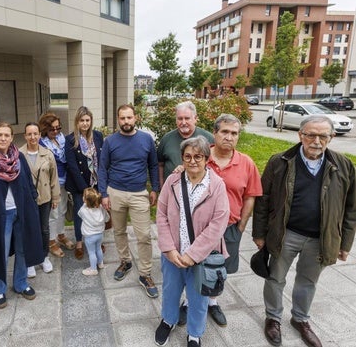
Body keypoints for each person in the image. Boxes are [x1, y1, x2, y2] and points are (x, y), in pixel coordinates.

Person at [253, 115, 356, 347]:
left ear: (332, 137)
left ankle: (300, 319)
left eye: (323, 136)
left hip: (320, 238)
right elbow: (263, 200)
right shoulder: (279, 161)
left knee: (307, 281)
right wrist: (259, 234)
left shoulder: (344, 165)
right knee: (275, 278)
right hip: (285, 234)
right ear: (300, 135)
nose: (316, 141)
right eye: (310, 134)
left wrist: (344, 243)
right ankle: (273, 318)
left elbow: (351, 209)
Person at [178, 114, 263, 327]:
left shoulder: (246, 163)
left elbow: (250, 195)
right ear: (214, 133)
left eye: (234, 133)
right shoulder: (202, 157)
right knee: (193, 263)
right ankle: (188, 302)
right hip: (199, 227)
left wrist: (241, 226)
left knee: (220, 268)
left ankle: (213, 302)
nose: (229, 137)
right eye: (224, 131)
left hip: (229, 228)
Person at [155, 136, 230, 347]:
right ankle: (168, 320)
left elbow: (218, 223)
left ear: (206, 158)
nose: (193, 160)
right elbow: (161, 214)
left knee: (198, 297)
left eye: (198, 156)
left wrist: (193, 254)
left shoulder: (216, 186)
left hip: (202, 257)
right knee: (170, 290)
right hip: (173, 253)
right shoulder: (173, 181)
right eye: (187, 156)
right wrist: (168, 248)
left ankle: (195, 333)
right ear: (182, 158)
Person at [0, 122, 44, 309]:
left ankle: (21, 283)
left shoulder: (19, 157)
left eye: (7, 135)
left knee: (23, 249)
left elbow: (29, 183)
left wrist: (33, 199)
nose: (3, 138)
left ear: (12, 137)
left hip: (22, 211)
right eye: (0, 135)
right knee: (0, 251)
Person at [98, 104, 160, 298]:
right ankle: (125, 261)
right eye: (122, 118)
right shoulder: (110, 141)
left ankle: (145, 273)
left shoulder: (146, 139)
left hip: (139, 193)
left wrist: (155, 189)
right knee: (119, 231)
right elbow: (102, 168)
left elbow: (153, 165)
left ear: (136, 118)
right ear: (118, 119)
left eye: (129, 118)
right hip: (115, 192)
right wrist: (103, 194)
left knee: (144, 235)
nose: (126, 121)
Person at [20, 122, 60, 277]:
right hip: (26, 199)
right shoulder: (18, 154)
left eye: (35, 133)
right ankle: (30, 260)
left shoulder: (47, 154)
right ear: (25, 136)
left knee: (44, 229)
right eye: (29, 134)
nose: (32, 137)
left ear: (39, 135)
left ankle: (44, 257)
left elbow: (53, 178)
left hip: (44, 197)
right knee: (29, 230)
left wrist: (55, 197)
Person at [65, 106, 104, 260]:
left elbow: (102, 161)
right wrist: (84, 189)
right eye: (82, 120)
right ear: (77, 122)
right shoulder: (70, 140)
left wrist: (100, 184)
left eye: (87, 120)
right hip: (79, 186)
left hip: (97, 183)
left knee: (96, 213)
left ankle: (97, 241)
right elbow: (72, 166)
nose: (85, 124)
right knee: (80, 214)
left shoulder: (98, 136)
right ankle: (80, 242)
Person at [38, 112, 76, 257]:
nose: (55, 131)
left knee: (62, 209)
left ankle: (61, 234)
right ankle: (51, 241)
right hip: (50, 183)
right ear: (44, 129)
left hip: (65, 180)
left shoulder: (62, 139)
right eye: (52, 129)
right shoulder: (42, 143)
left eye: (58, 128)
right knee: (52, 213)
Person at [157, 101, 214, 185]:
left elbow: (213, 165)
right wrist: (162, 188)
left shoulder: (208, 138)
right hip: (171, 191)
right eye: (180, 119)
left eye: (187, 118)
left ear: (195, 118)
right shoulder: (167, 139)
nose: (183, 123)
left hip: (200, 191)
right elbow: (160, 165)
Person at [78, 187, 110, 276]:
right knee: (98, 249)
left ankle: (93, 269)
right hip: (99, 234)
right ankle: (100, 263)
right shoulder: (101, 208)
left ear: (85, 200)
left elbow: (79, 214)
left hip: (89, 236)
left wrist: (85, 205)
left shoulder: (84, 210)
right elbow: (107, 219)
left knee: (91, 252)